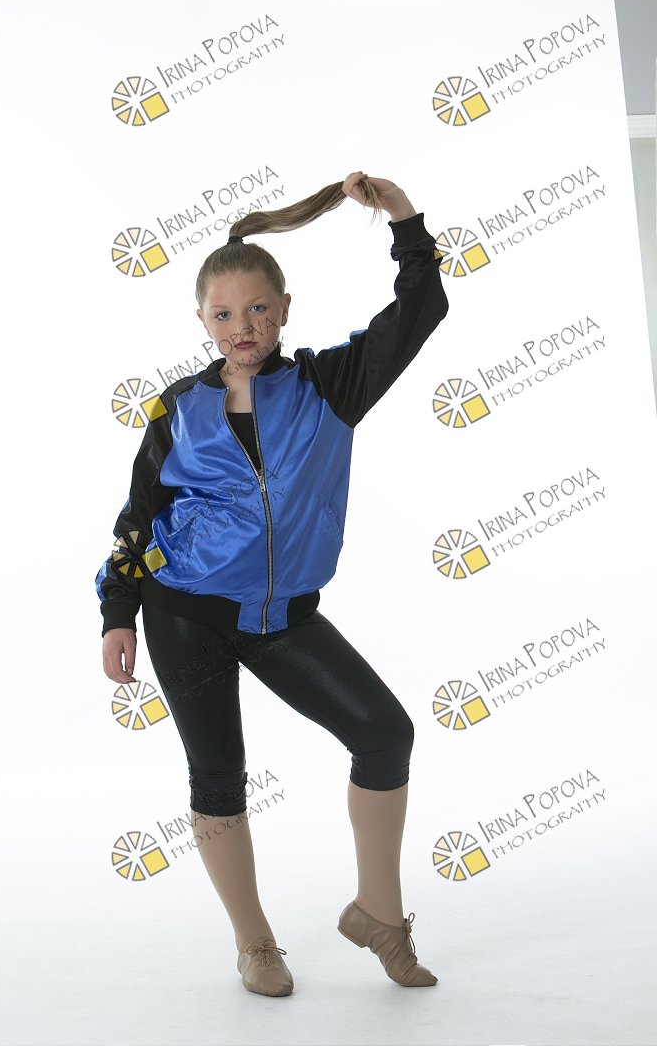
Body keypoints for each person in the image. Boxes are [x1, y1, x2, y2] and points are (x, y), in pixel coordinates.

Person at [96, 171, 449, 997]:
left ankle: (379, 914)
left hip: (283, 616)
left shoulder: (329, 387)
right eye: (224, 314)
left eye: (258, 308)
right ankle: (255, 943)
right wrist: (118, 612)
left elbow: (422, 308)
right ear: (202, 322)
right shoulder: (176, 410)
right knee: (219, 773)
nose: (243, 327)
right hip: (183, 611)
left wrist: (400, 217)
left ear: (284, 309)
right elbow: (139, 518)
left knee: (384, 735)